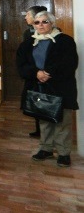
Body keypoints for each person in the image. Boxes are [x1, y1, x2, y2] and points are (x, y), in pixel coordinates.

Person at [16, 11, 78, 168]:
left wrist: (47, 73)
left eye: (45, 21)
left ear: (52, 23)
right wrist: (36, 73)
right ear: (33, 25)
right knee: (44, 119)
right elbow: (22, 65)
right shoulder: (27, 43)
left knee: (62, 121)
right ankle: (46, 149)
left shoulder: (65, 41)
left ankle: (63, 153)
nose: (41, 25)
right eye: (37, 22)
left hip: (60, 86)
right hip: (38, 86)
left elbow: (70, 62)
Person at [22, 5, 48, 137]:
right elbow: (25, 55)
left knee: (47, 103)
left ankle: (47, 134)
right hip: (33, 74)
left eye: (27, 14)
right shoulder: (28, 33)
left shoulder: (53, 33)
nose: (25, 17)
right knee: (36, 102)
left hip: (47, 75)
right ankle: (39, 130)